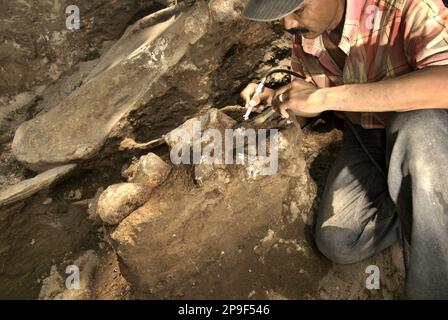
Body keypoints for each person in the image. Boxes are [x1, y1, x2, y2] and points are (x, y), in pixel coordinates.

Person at [240, 0, 448, 299]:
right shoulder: (309, 36)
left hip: (432, 132)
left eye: (297, 9)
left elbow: (444, 83)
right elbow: (308, 91)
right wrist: (276, 97)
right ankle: (422, 205)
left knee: (419, 128)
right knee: (340, 241)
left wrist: (327, 98)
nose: (288, 25)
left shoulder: (405, 6)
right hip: (367, 135)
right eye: (282, 16)